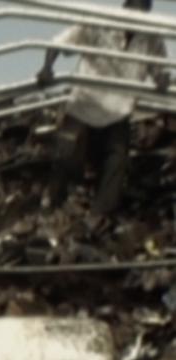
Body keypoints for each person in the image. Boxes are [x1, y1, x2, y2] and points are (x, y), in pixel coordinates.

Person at [38, 0, 170, 215]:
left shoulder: (152, 39)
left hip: (118, 112)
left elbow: (160, 72)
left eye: (144, 12)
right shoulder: (99, 22)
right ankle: (51, 207)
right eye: (135, 10)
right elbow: (59, 43)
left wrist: (163, 79)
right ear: (125, 8)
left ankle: (98, 218)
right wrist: (46, 68)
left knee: (116, 164)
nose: (138, 18)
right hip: (83, 105)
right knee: (65, 159)